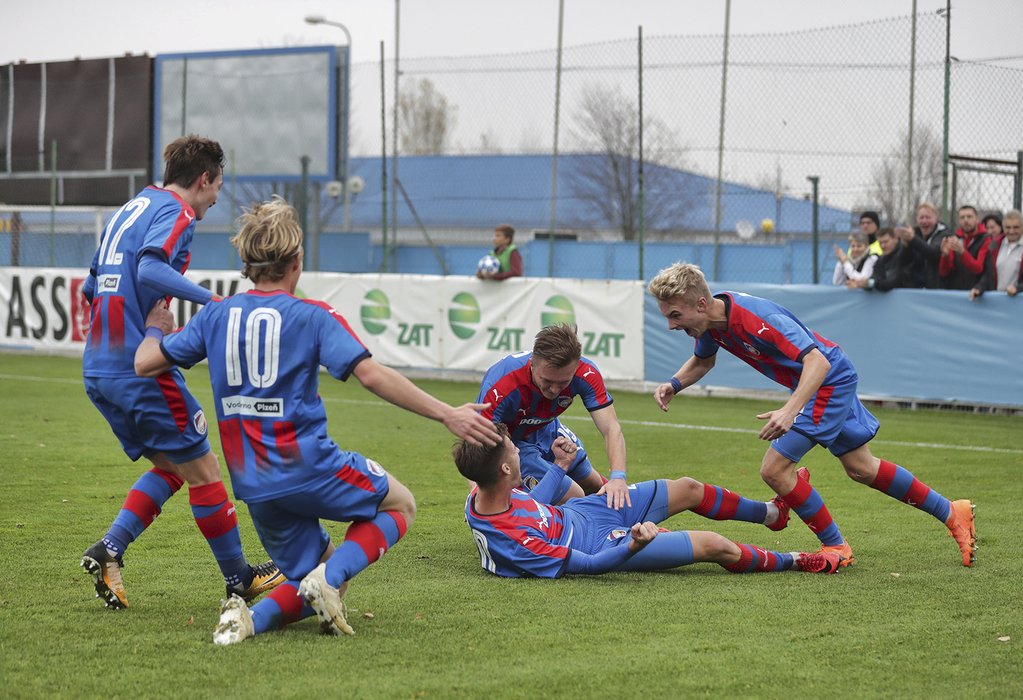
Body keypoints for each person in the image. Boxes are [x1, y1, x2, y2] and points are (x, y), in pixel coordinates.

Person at [134, 196, 500, 645]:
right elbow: (370, 374)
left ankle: (248, 621)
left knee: (328, 581)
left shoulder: (216, 315)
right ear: (296, 262)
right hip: (308, 465)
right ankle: (323, 579)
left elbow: (145, 363)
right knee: (400, 505)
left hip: (253, 483)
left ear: (247, 264)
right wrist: (447, 413)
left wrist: (156, 325)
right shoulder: (313, 316)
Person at [647, 262, 976, 570]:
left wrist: (790, 411)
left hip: (828, 380)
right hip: (825, 382)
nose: (672, 325)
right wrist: (674, 384)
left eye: (675, 315)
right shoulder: (710, 325)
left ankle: (835, 547)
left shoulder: (756, 318)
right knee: (862, 469)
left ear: (701, 305)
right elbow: (703, 362)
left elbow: (818, 362)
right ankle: (951, 511)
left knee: (774, 470)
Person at [80, 135, 283, 610]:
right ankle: (239, 580)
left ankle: (110, 550)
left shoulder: (131, 208)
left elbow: (91, 287)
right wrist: (214, 303)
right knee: (205, 468)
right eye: (217, 188)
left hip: (99, 369)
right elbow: (150, 269)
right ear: (204, 179)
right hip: (140, 371)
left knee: (173, 468)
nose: (216, 198)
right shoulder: (177, 212)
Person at [453, 423, 835, 578]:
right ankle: (797, 561)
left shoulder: (484, 491)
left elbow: (531, 505)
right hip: (597, 542)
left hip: (584, 511)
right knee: (715, 546)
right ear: (504, 471)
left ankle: (771, 514)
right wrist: (634, 543)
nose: (519, 453)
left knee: (688, 487)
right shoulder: (518, 544)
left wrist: (561, 464)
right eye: (512, 452)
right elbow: (591, 566)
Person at [477, 324, 629, 507]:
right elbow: (479, 442)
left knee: (594, 484)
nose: (555, 390)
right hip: (512, 444)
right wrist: (476, 493)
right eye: (547, 381)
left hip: (548, 430)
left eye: (564, 382)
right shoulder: (501, 383)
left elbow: (611, 428)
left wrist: (618, 477)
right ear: (532, 363)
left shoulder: (586, 373)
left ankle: (626, 525)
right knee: (575, 496)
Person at [970, 209, 1023, 300]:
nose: (1011, 231)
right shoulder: (995, 245)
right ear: (1003, 228)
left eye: (1016, 227)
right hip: (998, 300)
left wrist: (1019, 288)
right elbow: (989, 274)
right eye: (1008, 227)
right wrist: (979, 288)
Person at [897, 202, 950, 288]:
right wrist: (905, 245)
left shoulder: (944, 233)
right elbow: (902, 261)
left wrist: (913, 239)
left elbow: (934, 253)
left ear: (936, 218)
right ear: (917, 220)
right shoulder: (914, 233)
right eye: (921, 218)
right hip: (914, 287)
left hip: (937, 287)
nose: (924, 221)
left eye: (928, 217)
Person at [939, 205, 991, 290]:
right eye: (962, 217)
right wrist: (945, 256)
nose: (966, 220)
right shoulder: (954, 238)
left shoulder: (986, 239)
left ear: (977, 219)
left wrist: (963, 252)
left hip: (978, 292)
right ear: (959, 221)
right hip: (957, 292)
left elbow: (978, 268)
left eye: (969, 217)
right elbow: (944, 272)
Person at [847, 227, 912, 291]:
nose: (883, 245)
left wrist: (870, 283)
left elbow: (892, 282)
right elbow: (875, 277)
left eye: (886, 242)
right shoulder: (881, 259)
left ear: (895, 239)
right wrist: (860, 284)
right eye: (880, 243)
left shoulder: (903, 255)